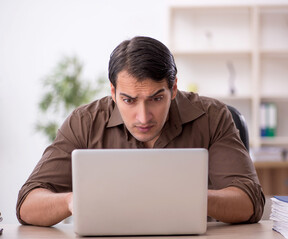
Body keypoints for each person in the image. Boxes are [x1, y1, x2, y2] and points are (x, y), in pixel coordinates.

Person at [17, 36, 265, 227]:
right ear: (113, 92)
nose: (143, 117)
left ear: (174, 88)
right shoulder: (84, 122)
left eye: (156, 98)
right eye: (129, 100)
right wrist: (74, 201)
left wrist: (187, 196)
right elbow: (28, 205)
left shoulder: (212, 116)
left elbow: (249, 203)